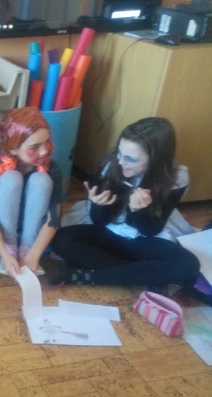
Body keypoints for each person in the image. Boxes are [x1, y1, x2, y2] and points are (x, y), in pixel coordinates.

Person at [50, 117, 200, 292]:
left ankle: (91, 277)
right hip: (109, 232)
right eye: (120, 153)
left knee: (189, 265)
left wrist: (138, 211)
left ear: (155, 159)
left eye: (130, 158)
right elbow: (99, 221)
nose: (121, 161)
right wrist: (98, 205)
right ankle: (145, 274)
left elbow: (150, 230)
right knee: (61, 239)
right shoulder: (111, 166)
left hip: (144, 239)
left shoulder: (176, 177)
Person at [0, 107, 62, 277]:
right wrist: (5, 254)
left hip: (35, 239)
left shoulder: (52, 169)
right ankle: (11, 247)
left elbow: (54, 217)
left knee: (41, 180)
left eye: (46, 142)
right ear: (14, 148)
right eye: (35, 147)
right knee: (10, 178)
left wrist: (34, 255)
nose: (44, 151)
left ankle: (25, 249)